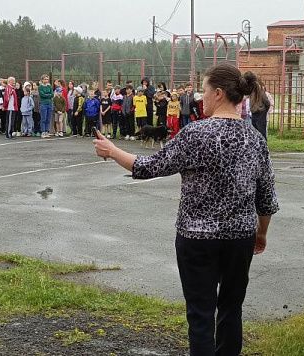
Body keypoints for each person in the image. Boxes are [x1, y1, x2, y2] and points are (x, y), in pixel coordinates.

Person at [93, 63, 279, 356]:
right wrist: (261, 233)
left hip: (197, 239)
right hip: (240, 238)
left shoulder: (196, 134)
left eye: (203, 91)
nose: (199, 98)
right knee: (231, 309)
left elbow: (150, 167)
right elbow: (266, 197)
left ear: (218, 93)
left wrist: (112, 151)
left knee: (201, 314)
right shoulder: (254, 139)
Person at [244, 72, 271, 140]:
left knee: (260, 131)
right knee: (256, 130)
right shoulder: (252, 89)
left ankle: (263, 146)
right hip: (255, 111)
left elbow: (267, 102)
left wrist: (263, 110)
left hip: (259, 111)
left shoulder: (258, 89)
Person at [39, 74, 54, 139]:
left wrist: (47, 95)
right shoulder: (40, 87)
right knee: (43, 118)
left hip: (49, 104)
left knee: (48, 118)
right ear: (42, 80)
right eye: (45, 79)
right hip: (43, 104)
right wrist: (48, 95)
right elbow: (42, 95)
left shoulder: (49, 86)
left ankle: (47, 131)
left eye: (47, 79)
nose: (46, 80)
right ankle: (43, 132)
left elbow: (52, 94)